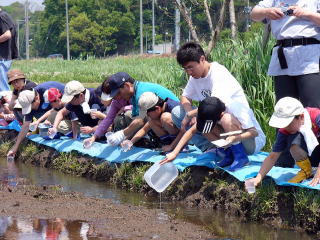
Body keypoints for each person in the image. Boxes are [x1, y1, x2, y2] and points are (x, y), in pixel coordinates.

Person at [170, 42, 252, 152]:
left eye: (190, 67)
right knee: (177, 112)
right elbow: (185, 97)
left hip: (237, 127)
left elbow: (214, 107)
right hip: (216, 122)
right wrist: (190, 112)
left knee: (220, 119)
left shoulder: (218, 72)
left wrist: (190, 115)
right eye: (185, 69)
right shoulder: (195, 77)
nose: (189, 72)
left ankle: (237, 151)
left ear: (202, 59)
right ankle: (211, 147)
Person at [161, 96, 266, 171]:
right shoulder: (210, 108)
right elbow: (191, 131)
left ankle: (241, 157)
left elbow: (254, 132)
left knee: (226, 120)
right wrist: (174, 152)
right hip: (235, 139)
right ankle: (229, 154)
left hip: (253, 142)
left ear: (218, 115)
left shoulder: (235, 108)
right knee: (204, 128)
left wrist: (235, 138)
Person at [251, 1, 320, 107]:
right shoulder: (274, 1)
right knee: (285, 110)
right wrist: (267, 11)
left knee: (313, 108)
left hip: (310, 59)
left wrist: (306, 14)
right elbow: (254, 14)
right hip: (283, 59)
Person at [247, 97, 320, 186]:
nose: (286, 128)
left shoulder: (316, 116)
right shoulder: (285, 130)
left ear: (301, 117)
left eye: (288, 124)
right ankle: (306, 170)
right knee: (292, 140)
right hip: (314, 154)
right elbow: (273, 156)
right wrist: (258, 178)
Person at [105, 72, 179, 146]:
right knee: (148, 121)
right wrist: (128, 140)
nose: (119, 97)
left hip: (176, 121)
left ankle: (174, 144)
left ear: (127, 85)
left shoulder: (141, 94)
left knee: (160, 118)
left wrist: (121, 135)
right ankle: (167, 143)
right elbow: (138, 122)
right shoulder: (134, 94)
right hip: (161, 119)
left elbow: (140, 121)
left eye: (119, 93)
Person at [7, 81, 65, 158]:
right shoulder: (28, 98)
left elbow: (60, 108)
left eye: (30, 107)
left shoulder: (47, 92)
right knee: (46, 125)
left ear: (37, 98)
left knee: (61, 125)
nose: (30, 110)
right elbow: (25, 126)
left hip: (65, 105)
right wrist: (15, 147)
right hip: (51, 110)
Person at [83, 76, 131, 147]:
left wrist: (125, 108)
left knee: (127, 114)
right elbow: (108, 119)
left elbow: (138, 107)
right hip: (127, 128)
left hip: (139, 120)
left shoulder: (130, 95)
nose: (114, 98)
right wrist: (94, 137)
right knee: (116, 119)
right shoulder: (116, 101)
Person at [0, 8, 18, 91]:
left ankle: (5, 103)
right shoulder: (5, 16)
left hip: (2, 57)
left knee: (3, 88)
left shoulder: (1, 16)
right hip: (5, 56)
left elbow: (7, 35)